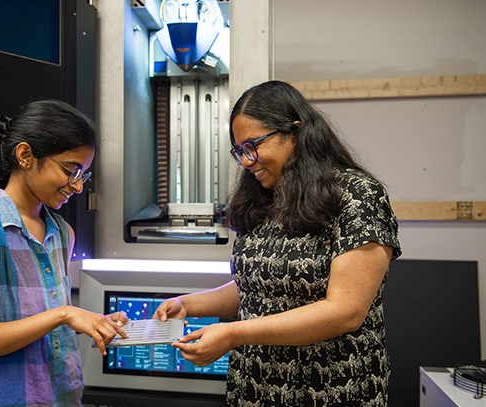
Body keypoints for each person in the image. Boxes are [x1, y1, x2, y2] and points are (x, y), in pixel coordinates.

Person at [154, 80, 402, 406]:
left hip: (330, 388)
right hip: (256, 386)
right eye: (240, 151)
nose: (246, 161)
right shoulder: (264, 200)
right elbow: (258, 288)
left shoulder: (357, 195)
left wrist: (233, 333)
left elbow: (345, 312)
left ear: (294, 133)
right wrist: (191, 304)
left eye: (253, 146)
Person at [0, 100, 127, 407]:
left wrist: (91, 322)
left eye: (84, 174)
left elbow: (40, 326)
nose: (79, 186)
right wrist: (64, 314)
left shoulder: (61, 233)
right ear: (26, 155)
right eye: (71, 170)